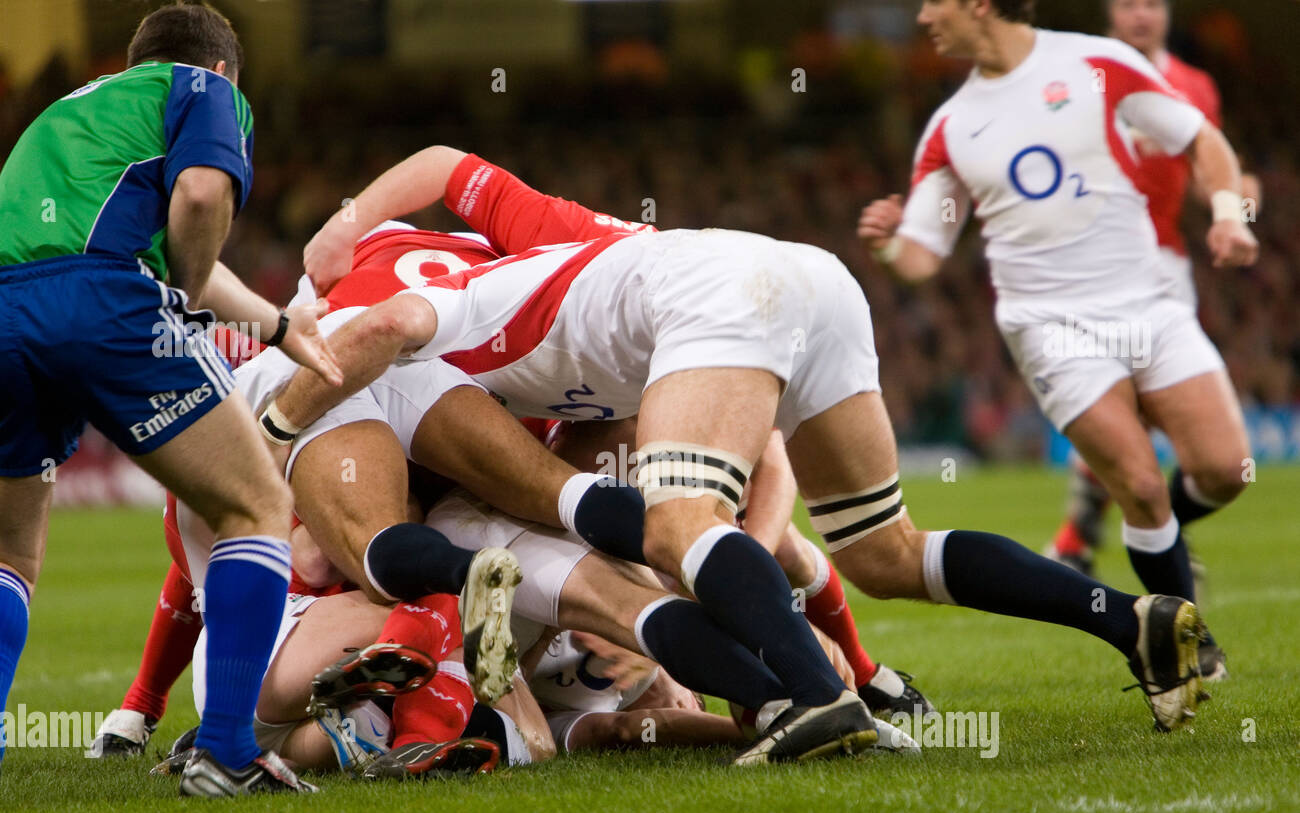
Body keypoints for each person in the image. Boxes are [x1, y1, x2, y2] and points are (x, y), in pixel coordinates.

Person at [265, 147, 1212, 753]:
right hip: (809, 281)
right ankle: (1131, 618)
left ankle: (813, 697)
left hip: (719, 299)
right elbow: (446, 165)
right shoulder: (544, 241)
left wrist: (269, 434)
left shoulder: (454, 317)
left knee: (682, 526)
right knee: (882, 549)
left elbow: (388, 323)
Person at [858, 0, 1256, 683]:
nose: (924, 17)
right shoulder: (951, 126)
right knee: (1138, 484)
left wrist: (1228, 214)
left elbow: (1202, 140)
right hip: (1051, 325)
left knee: (1224, 469)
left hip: (1151, 300)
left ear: (980, 4)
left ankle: (1161, 574)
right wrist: (891, 245)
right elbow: (924, 255)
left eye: (934, 3)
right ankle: (1184, 642)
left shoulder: (1097, 65)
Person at [0, 2, 342, 795]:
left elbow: (163, 232)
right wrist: (176, 302)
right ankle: (227, 750)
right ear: (222, 68)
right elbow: (198, 199)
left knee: (12, 553)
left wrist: (280, 326)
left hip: (8, 310)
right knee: (256, 504)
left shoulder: (69, 113)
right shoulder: (204, 84)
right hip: (103, 305)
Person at [1046, 0, 1260, 619]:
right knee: (1120, 415)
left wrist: (1236, 207)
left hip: (1163, 269)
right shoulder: (1078, 77)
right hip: (1088, 273)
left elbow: (1208, 176)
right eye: (1128, 3)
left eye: (1152, 3)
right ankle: (1083, 542)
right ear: (1109, 12)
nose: (1141, 14)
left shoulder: (1192, 86)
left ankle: (1110, 537)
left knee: (1199, 447)